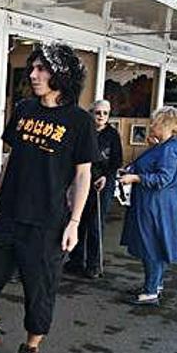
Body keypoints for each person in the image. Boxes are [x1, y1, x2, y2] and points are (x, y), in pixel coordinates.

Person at [0, 43, 95, 353]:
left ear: (61, 75)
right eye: (33, 69)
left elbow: (82, 175)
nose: (33, 75)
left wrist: (74, 223)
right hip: (9, 213)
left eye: (42, 70)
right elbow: (11, 160)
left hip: (47, 221)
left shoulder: (79, 120)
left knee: (39, 288)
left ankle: (31, 348)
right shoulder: (24, 109)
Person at [119, 106, 177, 305]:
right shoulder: (167, 146)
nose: (151, 125)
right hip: (157, 203)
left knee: (151, 246)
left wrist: (136, 177)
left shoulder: (168, 149)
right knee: (156, 244)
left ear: (164, 124)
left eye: (154, 122)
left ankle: (150, 291)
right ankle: (154, 284)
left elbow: (163, 178)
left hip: (155, 205)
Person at [65, 99, 123, 278]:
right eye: (98, 112)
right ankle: (76, 260)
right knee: (79, 220)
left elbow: (117, 160)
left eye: (105, 113)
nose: (101, 116)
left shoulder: (112, 134)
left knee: (95, 223)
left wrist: (106, 176)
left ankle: (94, 264)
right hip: (83, 180)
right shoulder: (84, 131)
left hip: (103, 182)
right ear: (91, 113)